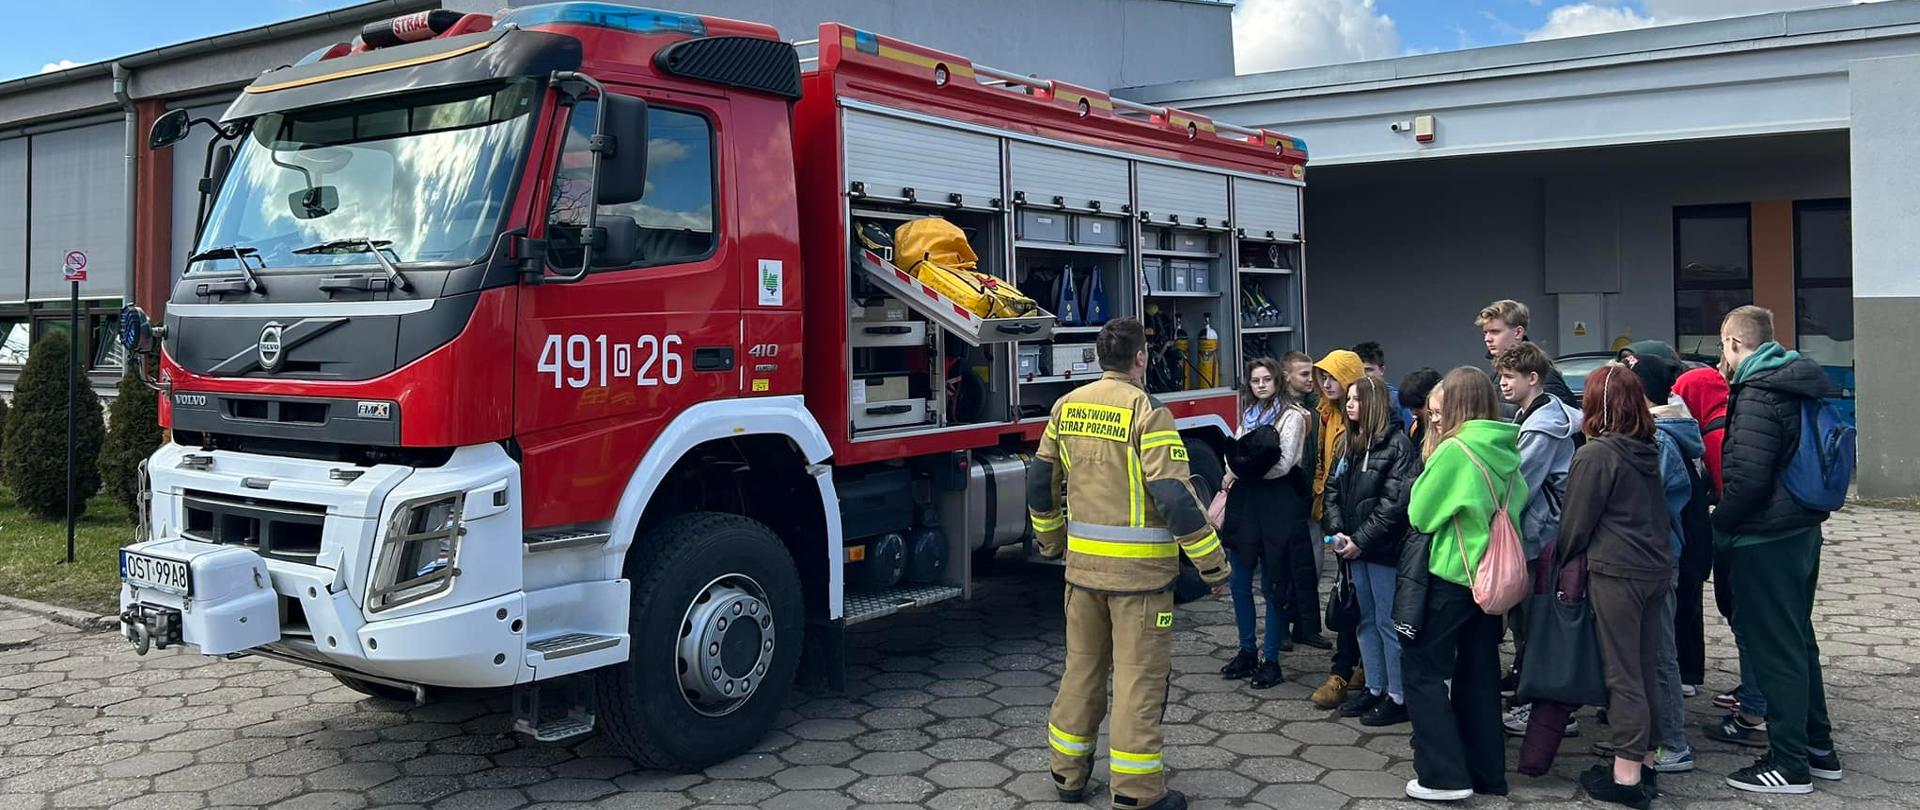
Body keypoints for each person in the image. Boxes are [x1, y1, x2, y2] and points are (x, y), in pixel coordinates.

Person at [1029, 317, 1231, 810]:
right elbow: (1175, 499)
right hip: (1140, 581)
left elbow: (1039, 482)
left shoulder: (1067, 407)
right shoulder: (1148, 411)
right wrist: (1213, 567)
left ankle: (1067, 775)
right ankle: (1137, 792)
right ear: (1140, 357)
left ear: (1100, 357)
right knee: (1138, 682)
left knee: (1081, 671)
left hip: (1082, 574)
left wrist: (1052, 542)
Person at [1710, 306, 1840, 796]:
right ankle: (1818, 748)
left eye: (1724, 347)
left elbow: (1746, 480)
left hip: (1765, 537)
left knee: (1777, 650)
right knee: (1799, 641)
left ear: (1734, 343)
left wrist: (1719, 524)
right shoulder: (1796, 380)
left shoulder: (1758, 391)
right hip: (1803, 528)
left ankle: (1789, 764)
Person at [1400, 367, 1524, 802]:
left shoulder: (1455, 450)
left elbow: (1419, 512)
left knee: (1421, 673)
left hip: (1451, 576)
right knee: (1480, 675)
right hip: (1490, 581)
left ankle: (1443, 776)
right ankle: (1488, 773)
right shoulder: (1506, 445)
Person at [1492, 342, 1583, 738]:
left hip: (1540, 537)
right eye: (1500, 376)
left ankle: (1548, 710)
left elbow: (1520, 484)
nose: (1502, 384)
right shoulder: (1533, 415)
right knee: (1526, 621)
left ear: (1533, 378)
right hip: (1540, 535)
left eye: (1510, 377)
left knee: (1534, 623)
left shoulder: (1542, 425)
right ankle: (1534, 699)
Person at [1324, 375, 1420, 727]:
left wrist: (1360, 540)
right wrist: (1338, 533)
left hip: (1382, 551)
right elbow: (1332, 489)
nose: (1349, 405)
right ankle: (1374, 688)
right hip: (1352, 550)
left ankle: (1398, 696)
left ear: (1375, 404)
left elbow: (1393, 505)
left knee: (1387, 622)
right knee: (1363, 621)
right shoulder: (1348, 443)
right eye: (1348, 398)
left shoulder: (1397, 447)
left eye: (1356, 399)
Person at [1218, 358, 1312, 690]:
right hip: (1247, 503)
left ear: (1278, 381)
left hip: (1276, 503)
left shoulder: (1294, 417)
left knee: (1274, 585)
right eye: (1255, 380)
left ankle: (1270, 659)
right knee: (1239, 580)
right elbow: (1234, 456)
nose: (1260, 385)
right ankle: (1246, 650)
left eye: (1266, 379)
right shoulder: (1249, 415)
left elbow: (1284, 463)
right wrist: (1240, 468)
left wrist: (1244, 468)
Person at [1633, 355, 1703, 775]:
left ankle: (1673, 743)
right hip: (1658, 555)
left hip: (1656, 558)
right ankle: (1649, 735)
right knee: (1651, 651)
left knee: (1660, 653)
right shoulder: (1669, 431)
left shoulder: (1660, 439)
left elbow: (1651, 504)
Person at [1305, 349, 1366, 709]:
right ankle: (1354, 665)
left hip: (1355, 523)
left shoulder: (1359, 421)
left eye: (1333, 376)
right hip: (1332, 515)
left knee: (1354, 598)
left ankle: (1344, 670)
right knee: (1348, 593)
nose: (1327, 383)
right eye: (1322, 376)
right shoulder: (1324, 416)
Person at [1476, 299, 1577, 408]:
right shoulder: (1496, 373)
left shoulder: (1542, 372)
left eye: (1495, 332)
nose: (1487, 339)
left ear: (1518, 332)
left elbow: (1560, 418)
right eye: (1485, 333)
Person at [1352, 341, 1412, 432]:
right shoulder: (1348, 398)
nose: (1364, 375)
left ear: (1382, 370)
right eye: (1359, 370)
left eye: (1368, 370)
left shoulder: (1395, 399)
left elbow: (1409, 432)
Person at [1401, 367, 1442, 448]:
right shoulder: (1414, 428)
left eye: (1418, 406)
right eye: (1410, 407)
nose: (1413, 412)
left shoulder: (1446, 430)